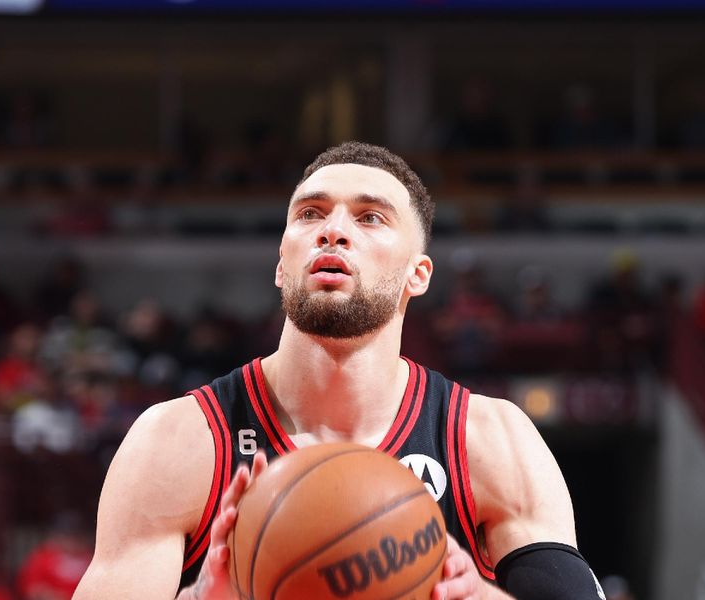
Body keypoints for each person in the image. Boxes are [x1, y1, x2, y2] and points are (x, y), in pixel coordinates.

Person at [74, 142, 604, 600]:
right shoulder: (178, 441)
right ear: (282, 264)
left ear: (416, 275)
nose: (333, 231)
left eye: (370, 217)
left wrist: (479, 595)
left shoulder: (488, 439)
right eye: (310, 214)